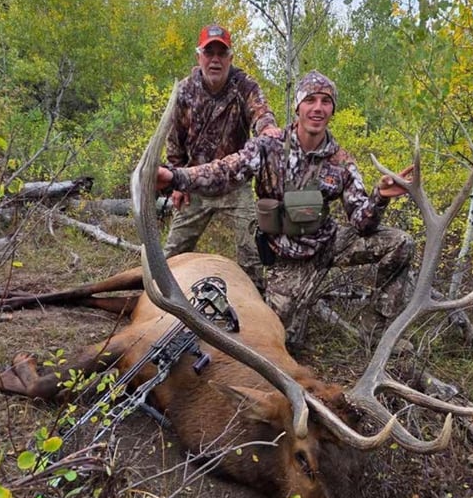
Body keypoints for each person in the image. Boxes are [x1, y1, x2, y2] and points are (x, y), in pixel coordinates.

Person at [156, 69, 414, 350]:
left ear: (333, 109)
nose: (318, 108)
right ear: (298, 107)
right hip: (287, 259)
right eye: (311, 100)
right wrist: (176, 177)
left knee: (400, 243)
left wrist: (380, 196)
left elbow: (362, 223)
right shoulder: (269, 147)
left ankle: (376, 332)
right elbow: (225, 171)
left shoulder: (341, 162)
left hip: (327, 242)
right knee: (279, 342)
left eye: (325, 102)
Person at [164, 24, 280, 291]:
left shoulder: (244, 85)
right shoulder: (184, 91)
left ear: (230, 57)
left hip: (234, 186)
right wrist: (178, 183)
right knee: (171, 256)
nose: (215, 59)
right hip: (194, 185)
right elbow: (174, 139)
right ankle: (157, 299)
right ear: (199, 57)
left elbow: (261, 112)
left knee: (252, 255)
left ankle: (258, 304)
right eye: (209, 52)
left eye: (221, 53)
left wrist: (268, 128)